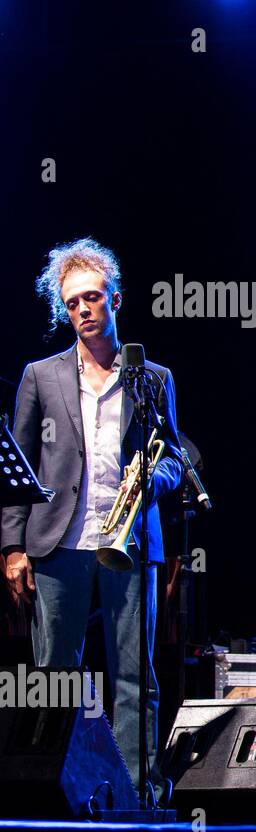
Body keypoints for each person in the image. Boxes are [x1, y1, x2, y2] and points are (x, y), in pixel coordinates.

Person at [2, 237, 184, 800]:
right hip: (58, 543)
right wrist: (12, 548)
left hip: (128, 543)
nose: (83, 309)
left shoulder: (152, 377)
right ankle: (57, 792)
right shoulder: (40, 376)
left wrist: (152, 479)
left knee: (135, 678)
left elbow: (175, 457)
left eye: (93, 298)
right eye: (73, 301)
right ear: (64, 309)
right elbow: (20, 465)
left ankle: (133, 794)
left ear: (115, 301)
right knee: (54, 679)